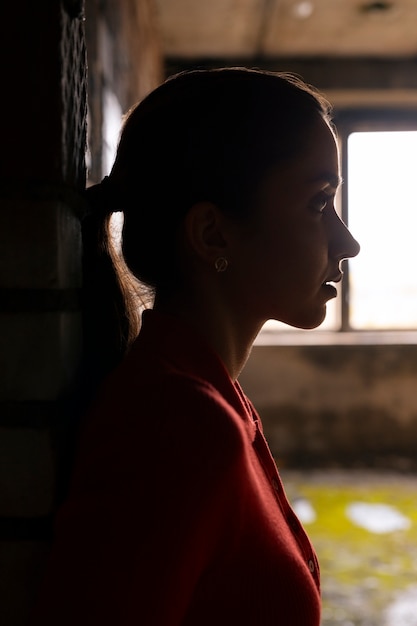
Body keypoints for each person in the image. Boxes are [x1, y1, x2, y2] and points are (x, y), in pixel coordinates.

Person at [30, 68, 360, 626]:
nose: (347, 241)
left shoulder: (204, 399)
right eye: (318, 202)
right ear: (212, 234)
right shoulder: (178, 424)